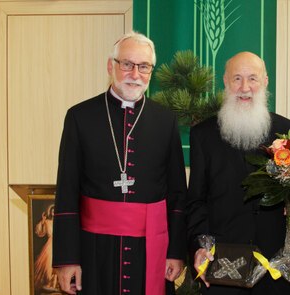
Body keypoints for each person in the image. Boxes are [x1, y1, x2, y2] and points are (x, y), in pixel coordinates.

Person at [52, 31, 187, 295]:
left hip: (149, 248)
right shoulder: (80, 117)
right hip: (94, 248)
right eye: (127, 64)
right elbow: (66, 190)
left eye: (144, 66)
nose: (135, 74)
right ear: (110, 66)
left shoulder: (165, 120)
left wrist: (175, 252)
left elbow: (177, 192)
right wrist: (68, 259)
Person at [186, 51, 290, 295]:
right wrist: (199, 246)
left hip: (275, 268)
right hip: (222, 264)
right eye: (237, 79)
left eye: (253, 79)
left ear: (265, 82)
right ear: (225, 82)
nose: (245, 87)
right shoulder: (203, 135)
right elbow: (196, 201)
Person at [34, 204, 58, 291]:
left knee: (58, 264)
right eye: (52, 211)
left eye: (55, 211)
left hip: (59, 244)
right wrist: (43, 221)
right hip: (50, 245)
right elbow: (40, 232)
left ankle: (55, 284)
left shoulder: (60, 221)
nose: (53, 212)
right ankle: (48, 283)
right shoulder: (47, 222)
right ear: (50, 212)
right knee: (49, 263)